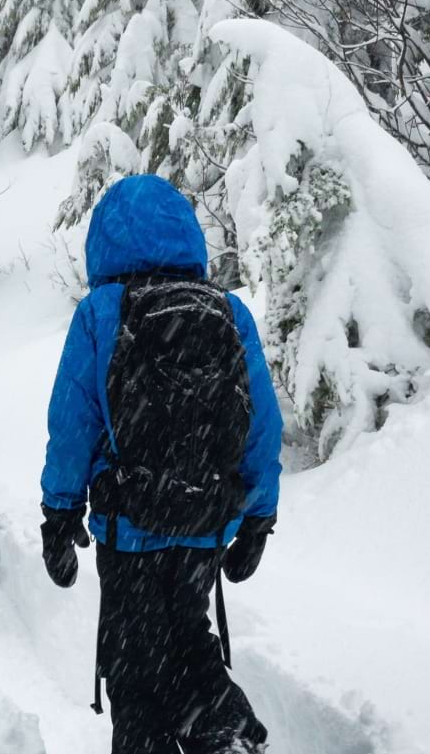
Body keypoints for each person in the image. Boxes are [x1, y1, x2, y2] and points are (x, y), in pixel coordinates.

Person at [39, 174, 283, 754]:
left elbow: (72, 424)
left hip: (130, 527)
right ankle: (221, 730)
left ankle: (195, 736)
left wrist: (59, 513)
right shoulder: (228, 312)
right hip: (204, 524)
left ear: (104, 242)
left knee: (134, 664)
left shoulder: (102, 312)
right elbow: (262, 424)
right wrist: (258, 518)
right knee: (187, 635)